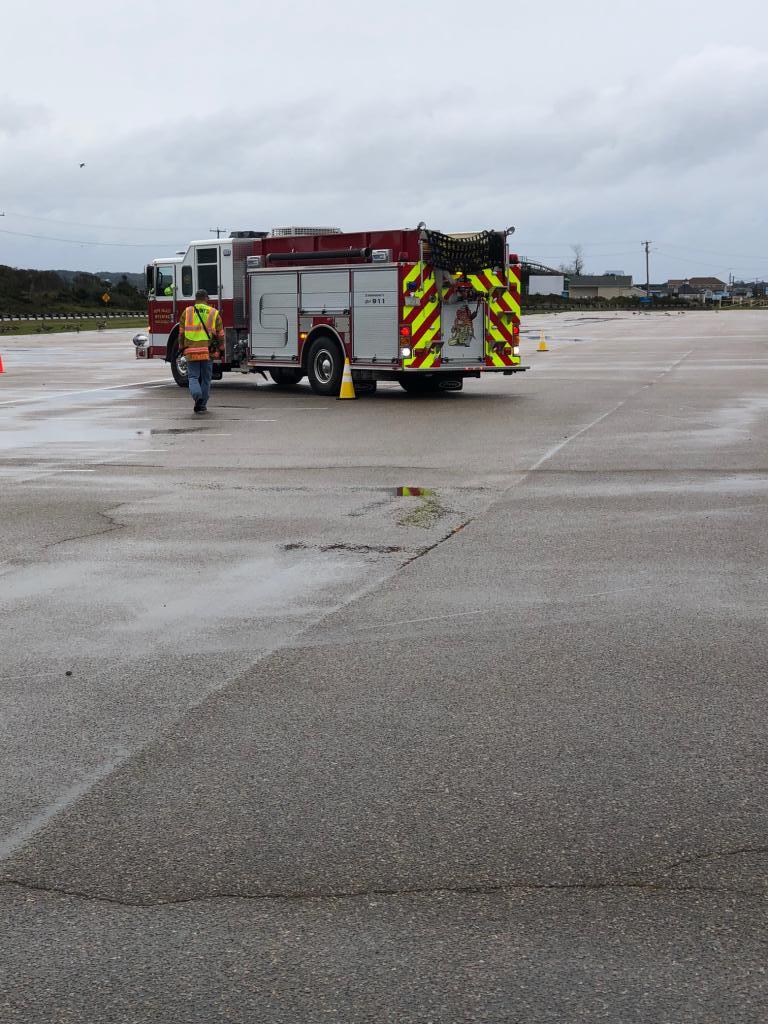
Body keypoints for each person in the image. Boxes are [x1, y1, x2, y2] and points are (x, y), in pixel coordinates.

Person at [178, 289, 225, 413]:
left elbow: (181, 333)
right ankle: (202, 403)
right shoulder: (213, 313)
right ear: (206, 299)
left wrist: (181, 347)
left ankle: (197, 396)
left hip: (191, 350)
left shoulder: (187, 312)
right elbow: (220, 334)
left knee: (193, 377)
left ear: (196, 298)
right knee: (206, 378)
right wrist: (221, 348)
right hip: (207, 352)